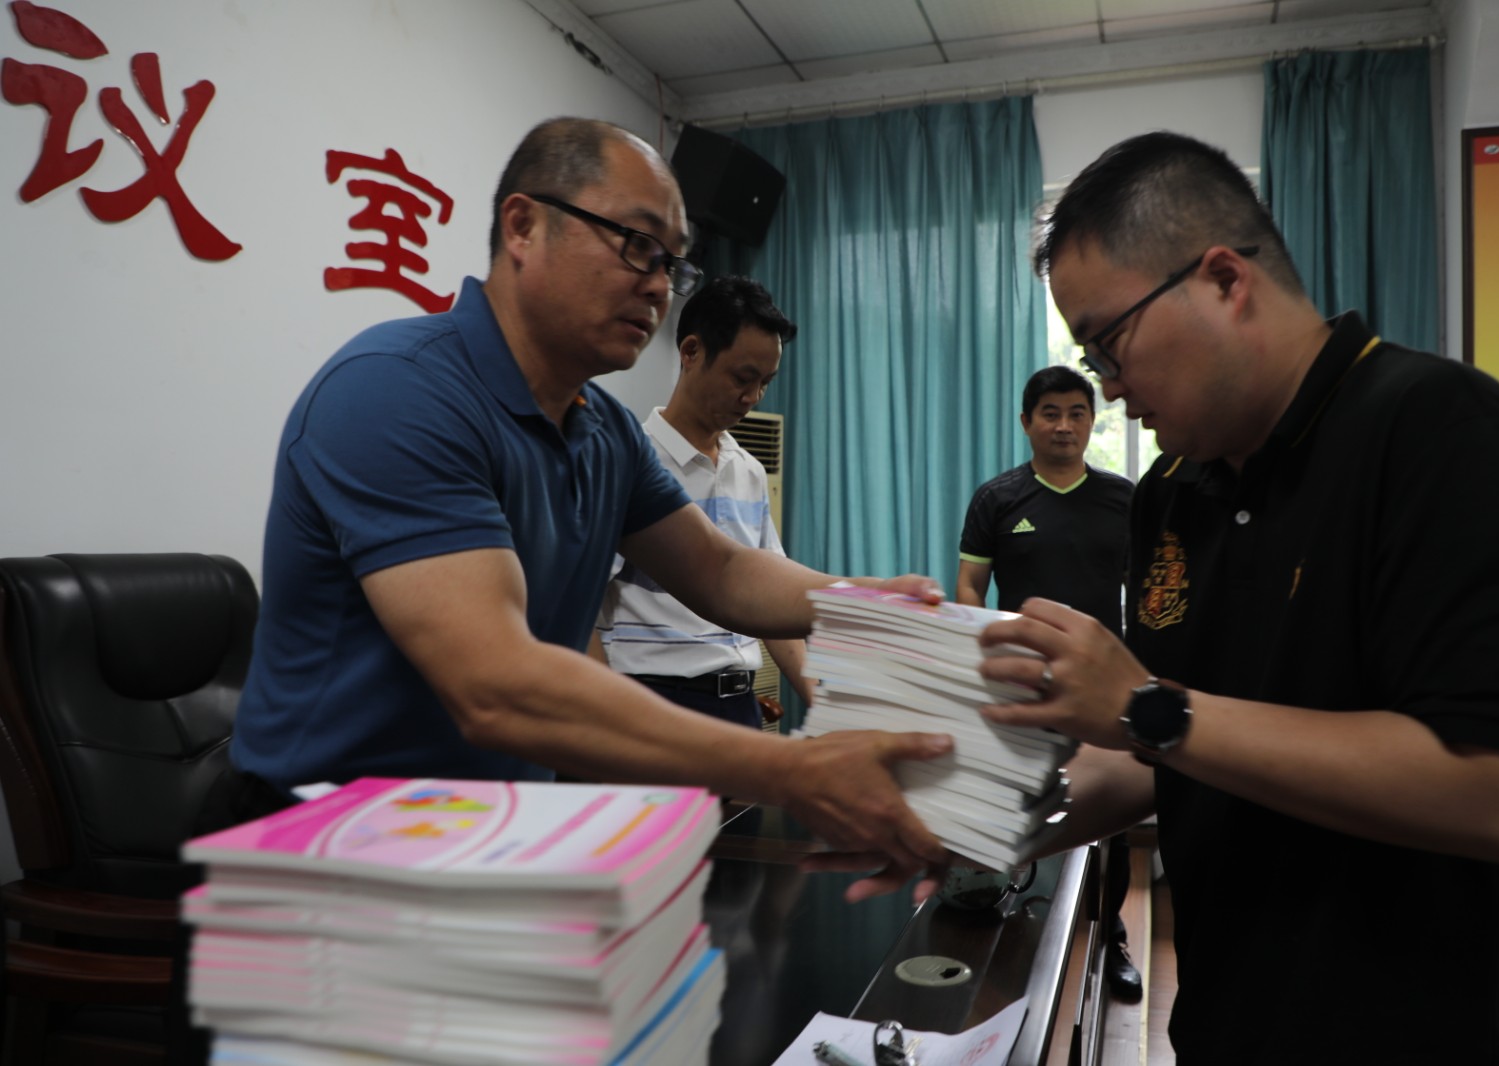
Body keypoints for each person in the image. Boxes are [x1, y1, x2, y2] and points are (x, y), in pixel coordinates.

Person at [965, 132, 1499, 1063]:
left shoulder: (1444, 435)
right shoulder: (1173, 492)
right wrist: (972, 825)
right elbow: (1161, 758)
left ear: (1224, 280)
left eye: (1109, 345)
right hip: (1229, 1021)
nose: (1111, 389)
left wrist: (1147, 706)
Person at [222, 117, 953, 905]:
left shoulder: (602, 430)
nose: (659, 286)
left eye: (672, 263)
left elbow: (720, 571)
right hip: (331, 849)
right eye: (637, 245)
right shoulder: (394, 391)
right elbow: (496, 684)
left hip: (491, 836)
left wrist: (869, 602)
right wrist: (792, 768)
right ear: (523, 227)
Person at [955, 364, 1142, 1001]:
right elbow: (970, 588)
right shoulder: (997, 498)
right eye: (1050, 413)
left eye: (1076, 413)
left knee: (1110, 818)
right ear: (1026, 422)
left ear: (1092, 421)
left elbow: (1146, 593)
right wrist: (983, 660)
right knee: (1019, 802)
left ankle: (1110, 932)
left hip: (1102, 691)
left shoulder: (1124, 500)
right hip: (1021, 687)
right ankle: (1009, 918)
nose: (1064, 426)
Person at [594, 275, 814, 728]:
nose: (752, 398)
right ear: (691, 352)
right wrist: (601, 720)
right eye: (743, 378)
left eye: (766, 382)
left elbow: (768, 603)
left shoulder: (749, 471)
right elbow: (580, 606)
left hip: (738, 702)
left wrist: (824, 703)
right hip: (652, 699)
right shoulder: (628, 460)